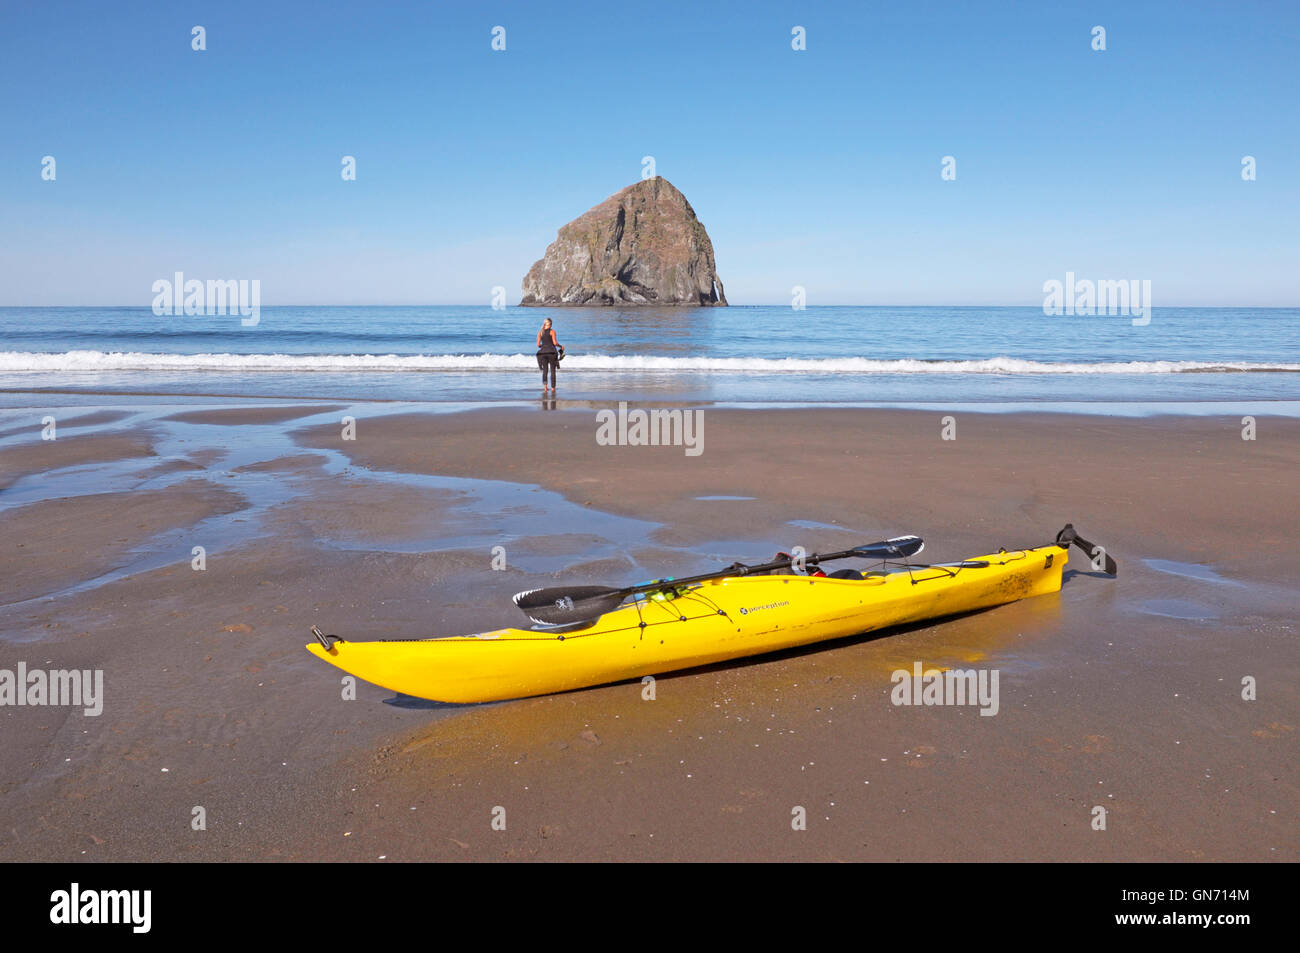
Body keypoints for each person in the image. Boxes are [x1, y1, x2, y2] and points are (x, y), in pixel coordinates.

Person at [536, 317, 561, 392]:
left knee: (545, 370)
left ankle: (545, 388)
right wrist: (561, 346)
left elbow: (538, 345)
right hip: (551, 353)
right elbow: (555, 343)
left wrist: (543, 346)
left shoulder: (540, 332)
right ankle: (553, 388)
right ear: (550, 324)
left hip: (543, 353)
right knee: (553, 371)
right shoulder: (552, 331)